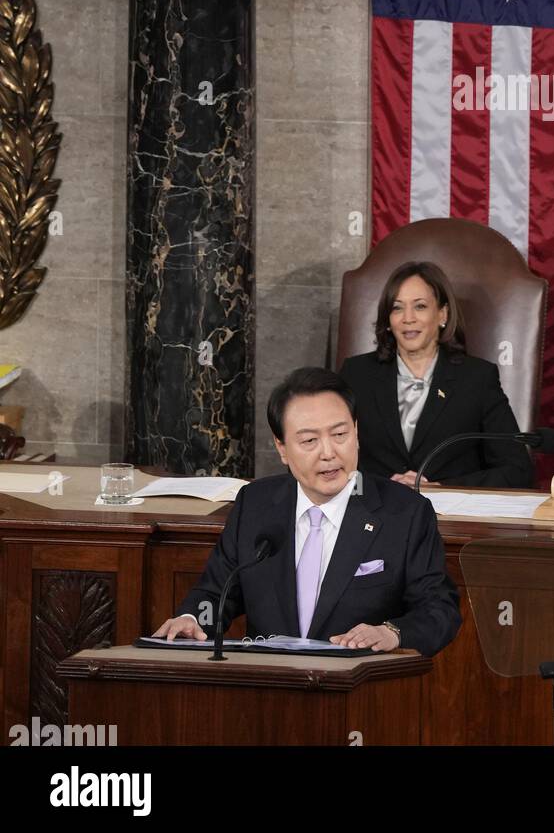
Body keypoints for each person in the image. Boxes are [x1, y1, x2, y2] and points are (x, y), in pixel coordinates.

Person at [154, 367, 461, 656]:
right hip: (271, 691)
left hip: (360, 693)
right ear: (282, 448)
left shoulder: (405, 512)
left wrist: (392, 632)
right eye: (310, 440)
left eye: (340, 435)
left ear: (356, 431)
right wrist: (192, 618)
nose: (328, 453)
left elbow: (439, 610)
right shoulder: (255, 505)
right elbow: (216, 592)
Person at [339, 261, 533, 489]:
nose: (407, 318)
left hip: (448, 516)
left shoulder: (477, 378)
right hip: (373, 511)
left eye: (420, 306)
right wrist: (374, 487)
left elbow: (517, 470)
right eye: (397, 307)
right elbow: (331, 459)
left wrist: (443, 488)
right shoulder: (356, 373)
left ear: (442, 314)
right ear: (388, 320)